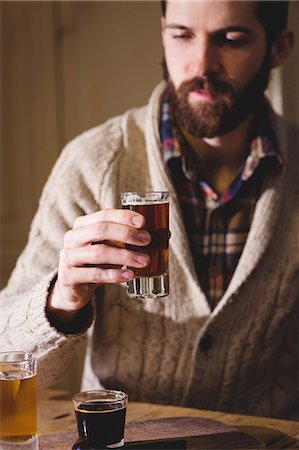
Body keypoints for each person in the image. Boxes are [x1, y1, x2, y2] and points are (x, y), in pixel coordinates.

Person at [1, 0, 298, 420]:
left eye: (231, 39)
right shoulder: (92, 163)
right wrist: (60, 300)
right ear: (162, 33)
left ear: (279, 47)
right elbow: (8, 356)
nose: (201, 64)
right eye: (181, 35)